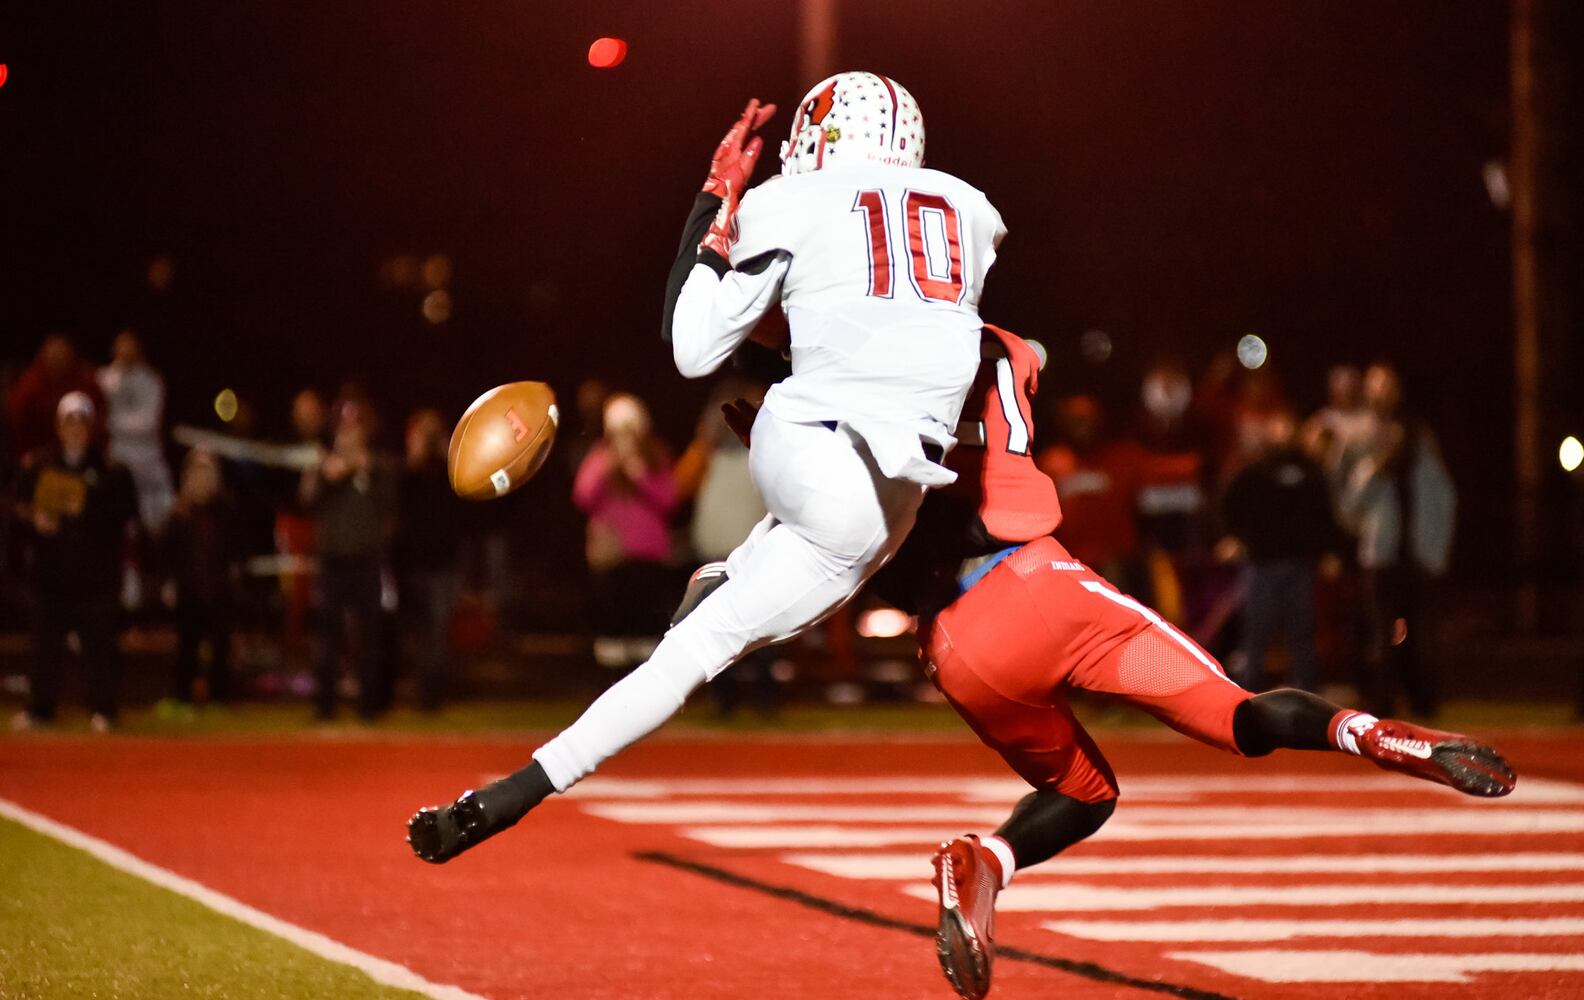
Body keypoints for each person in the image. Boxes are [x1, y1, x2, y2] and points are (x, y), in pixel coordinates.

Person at [408, 72, 1006, 861]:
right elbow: (884, 313)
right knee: (693, 656)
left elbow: (690, 349)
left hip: (799, 446)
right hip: (893, 503)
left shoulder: (794, 201)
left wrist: (713, 209)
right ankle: (508, 797)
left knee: (692, 633)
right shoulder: (972, 212)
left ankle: (523, 780)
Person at [10, 392, 136, 731]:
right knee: (44, 646)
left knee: (100, 647)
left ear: (91, 426)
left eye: (82, 421)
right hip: (51, 574)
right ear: (58, 425)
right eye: (69, 420)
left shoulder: (111, 470)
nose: (76, 428)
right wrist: (34, 520)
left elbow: (126, 515)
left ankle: (104, 709)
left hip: (95, 577)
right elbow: (17, 509)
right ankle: (40, 709)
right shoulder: (39, 464)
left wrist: (87, 509)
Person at [1339, 363, 1455, 718]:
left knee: (1422, 636)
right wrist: (1376, 469)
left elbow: (1442, 495)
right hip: (1381, 552)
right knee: (1380, 635)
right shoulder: (1360, 438)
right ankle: (1380, 702)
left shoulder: (1420, 438)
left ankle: (1425, 703)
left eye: (1388, 385)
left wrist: (1437, 549)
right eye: (1376, 386)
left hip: (1417, 552)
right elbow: (1347, 500)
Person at [1217, 410, 1341, 692]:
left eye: (1288, 425)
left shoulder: (1310, 471)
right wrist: (1230, 537)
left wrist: (1329, 551)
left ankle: (1309, 696)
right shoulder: (1254, 470)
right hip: (1261, 564)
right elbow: (1226, 505)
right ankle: (1243, 697)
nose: (1283, 431)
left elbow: (1324, 514)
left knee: (1303, 633)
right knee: (1256, 633)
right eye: (1278, 426)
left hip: (1300, 564)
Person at [300, 404, 396, 720]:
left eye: (354, 435)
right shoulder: (324, 468)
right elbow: (306, 502)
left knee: (370, 637)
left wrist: (366, 473)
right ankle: (324, 706)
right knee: (327, 638)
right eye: (343, 435)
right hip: (332, 563)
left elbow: (392, 506)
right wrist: (324, 477)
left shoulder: (377, 469)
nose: (348, 442)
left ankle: (369, 706)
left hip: (366, 562)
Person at [572, 393, 679, 667]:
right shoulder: (601, 457)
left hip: (648, 557)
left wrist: (639, 474)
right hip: (612, 557)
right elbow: (582, 496)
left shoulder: (656, 456)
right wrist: (607, 464)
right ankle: (612, 680)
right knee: (614, 623)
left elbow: (670, 499)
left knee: (644, 623)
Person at [393, 409, 461, 711]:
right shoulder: (409, 472)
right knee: (419, 633)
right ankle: (420, 691)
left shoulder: (450, 471)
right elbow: (400, 494)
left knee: (438, 632)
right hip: (414, 564)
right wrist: (416, 455)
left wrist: (451, 453)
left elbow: (465, 501)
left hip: (443, 563)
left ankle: (432, 696)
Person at [165, 448, 242, 704]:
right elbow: (165, 552)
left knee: (221, 646)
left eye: (206, 472)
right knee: (187, 646)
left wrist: (234, 577)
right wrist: (169, 581)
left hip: (219, 587)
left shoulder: (225, 509)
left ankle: (220, 697)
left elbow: (238, 548)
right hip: (188, 588)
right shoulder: (178, 514)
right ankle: (182, 697)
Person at [96, 329, 174, 535]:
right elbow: (97, 420)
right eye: (121, 345)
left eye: (130, 345)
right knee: (117, 515)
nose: (125, 351)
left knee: (155, 516)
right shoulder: (103, 379)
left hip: (148, 458)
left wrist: (112, 423)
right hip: (116, 457)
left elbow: (148, 423)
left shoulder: (152, 381)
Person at [6, 333, 105, 460]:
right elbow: (18, 423)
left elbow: (101, 417)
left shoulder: (86, 379)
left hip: (86, 455)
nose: (58, 356)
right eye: (53, 352)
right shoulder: (29, 384)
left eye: (62, 352)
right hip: (42, 454)